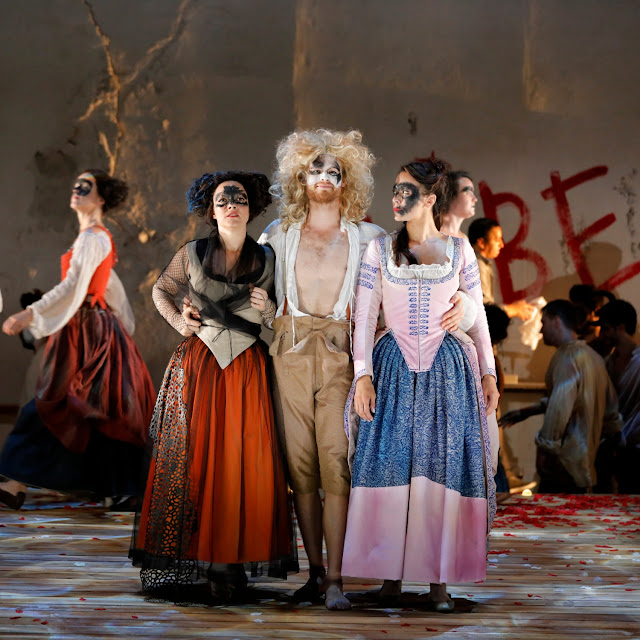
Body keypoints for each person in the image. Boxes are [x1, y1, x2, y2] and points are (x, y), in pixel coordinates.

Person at [260, 129, 474, 610]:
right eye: (315, 168)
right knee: (300, 467)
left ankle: (337, 577)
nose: (324, 177)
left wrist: (462, 299)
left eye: (334, 170)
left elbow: (411, 286)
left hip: (341, 354)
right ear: (298, 176)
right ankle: (316, 573)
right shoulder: (277, 234)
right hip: (289, 352)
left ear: (348, 179)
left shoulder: (369, 238)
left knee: (339, 463)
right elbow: (255, 284)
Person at [342, 157, 499, 613]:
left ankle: (439, 582)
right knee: (390, 466)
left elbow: (479, 320)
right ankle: (389, 580)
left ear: (430, 199)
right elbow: (364, 318)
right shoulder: (379, 251)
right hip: (392, 369)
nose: (397, 198)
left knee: (442, 467)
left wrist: (488, 372)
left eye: (407, 191)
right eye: (395, 189)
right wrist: (363, 375)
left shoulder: (460, 251)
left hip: (447, 372)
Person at [130, 171, 296, 602]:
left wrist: (269, 307)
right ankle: (206, 557)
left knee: (244, 461)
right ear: (211, 210)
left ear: (251, 208)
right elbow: (161, 290)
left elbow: (284, 318)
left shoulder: (269, 257)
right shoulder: (192, 253)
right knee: (201, 458)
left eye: (239, 199)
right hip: (202, 366)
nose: (231, 206)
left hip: (248, 370)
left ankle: (234, 558)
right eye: (223, 200)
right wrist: (179, 321)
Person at [0, 170, 155, 509]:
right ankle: (16, 482)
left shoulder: (93, 238)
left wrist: (30, 314)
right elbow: (108, 284)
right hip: (89, 329)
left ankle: (122, 488)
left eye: (86, 187)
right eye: (75, 185)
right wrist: (121, 322)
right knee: (82, 406)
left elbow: (74, 286)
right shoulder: (92, 237)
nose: (77, 190)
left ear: (101, 198)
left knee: (76, 404)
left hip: (90, 333)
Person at [499, 299, 622, 493]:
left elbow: (560, 406)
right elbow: (610, 408)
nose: (540, 330)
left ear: (556, 321)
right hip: (587, 461)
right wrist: (528, 411)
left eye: (543, 323)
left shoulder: (568, 357)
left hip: (564, 462)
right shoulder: (594, 357)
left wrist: (546, 448)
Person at [595, 299, 640, 493]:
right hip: (613, 449)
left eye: (605, 328)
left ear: (620, 328)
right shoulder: (607, 362)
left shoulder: (637, 362)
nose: (601, 334)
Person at [468, 218, 535, 321]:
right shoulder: (475, 265)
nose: (501, 245)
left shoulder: (482, 263)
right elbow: (484, 310)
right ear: (481, 243)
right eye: (497, 240)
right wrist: (511, 309)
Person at [439, 170, 477, 239]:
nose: (475, 199)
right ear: (449, 195)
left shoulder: (464, 238)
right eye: (468, 192)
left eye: (472, 192)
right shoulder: (432, 234)